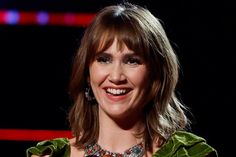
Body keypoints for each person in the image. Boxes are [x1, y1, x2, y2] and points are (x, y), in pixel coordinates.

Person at [26, 2, 218, 157]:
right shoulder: (51, 155)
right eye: (104, 60)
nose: (116, 76)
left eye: (132, 61)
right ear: (87, 73)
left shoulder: (188, 154)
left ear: (156, 74)